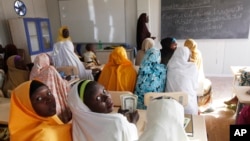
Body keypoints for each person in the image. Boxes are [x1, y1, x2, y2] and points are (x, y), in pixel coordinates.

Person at [67, 79, 139, 141]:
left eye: (104, 91)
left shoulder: (77, 126)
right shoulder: (117, 121)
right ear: (85, 107)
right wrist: (133, 122)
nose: (107, 97)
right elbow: (132, 137)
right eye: (98, 98)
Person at [29, 53, 72, 123]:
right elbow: (61, 83)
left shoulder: (33, 73)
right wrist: (66, 81)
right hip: (53, 100)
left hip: (41, 107)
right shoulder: (50, 69)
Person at [166, 47, 199, 115]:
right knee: (194, 94)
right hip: (188, 108)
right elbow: (195, 86)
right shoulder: (192, 67)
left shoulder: (169, 66)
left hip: (170, 106)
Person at [184, 39, 213, 112]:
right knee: (209, 84)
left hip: (187, 81)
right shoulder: (198, 53)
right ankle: (207, 105)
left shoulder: (185, 55)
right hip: (199, 81)